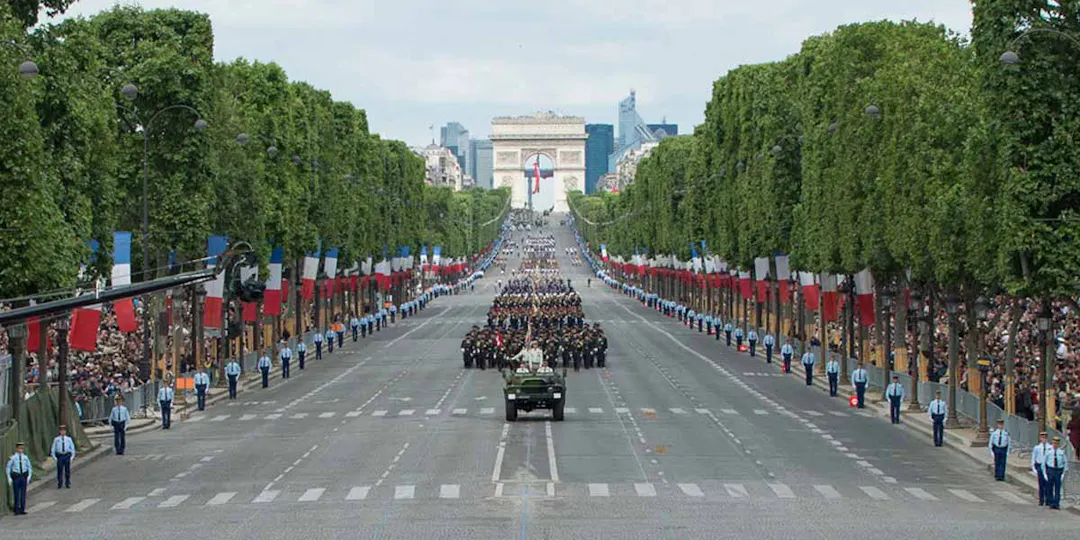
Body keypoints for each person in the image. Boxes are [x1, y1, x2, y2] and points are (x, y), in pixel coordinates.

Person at [1043, 436, 1068, 510]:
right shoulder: (1049, 451)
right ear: (1052, 443)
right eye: (1054, 443)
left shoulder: (1061, 452)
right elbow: (1044, 463)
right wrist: (1045, 473)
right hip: (1051, 470)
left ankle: (1056, 503)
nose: (1055, 445)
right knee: (1049, 487)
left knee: (1057, 488)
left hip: (1058, 470)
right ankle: (1051, 502)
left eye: (1056, 443)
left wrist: (1063, 473)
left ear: (1058, 444)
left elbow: (1065, 463)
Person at [5, 442, 31, 515]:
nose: (21, 450)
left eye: (22, 448)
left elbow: (29, 467)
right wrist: (9, 477)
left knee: (23, 494)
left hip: (23, 476)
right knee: (16, 493)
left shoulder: (25, 457)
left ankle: (22, 509)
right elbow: (8, 467)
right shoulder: (13, 458)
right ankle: (16, 509)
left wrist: (29, 477)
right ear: (17, 449)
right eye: (19, 448)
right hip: (16, 476)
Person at [1031, 432, 1052, 505]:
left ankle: (1048, 500)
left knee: (1048, 484)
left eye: (1045, 437)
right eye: (1042, 437)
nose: (1044, 439)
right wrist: (1034, 467)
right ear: (1040, 438)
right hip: (1039, 465)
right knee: (1041, 484)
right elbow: (1034, 458)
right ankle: (1041, 500)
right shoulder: (1037, 447)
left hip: (1047, 466)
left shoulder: (1050, 447)